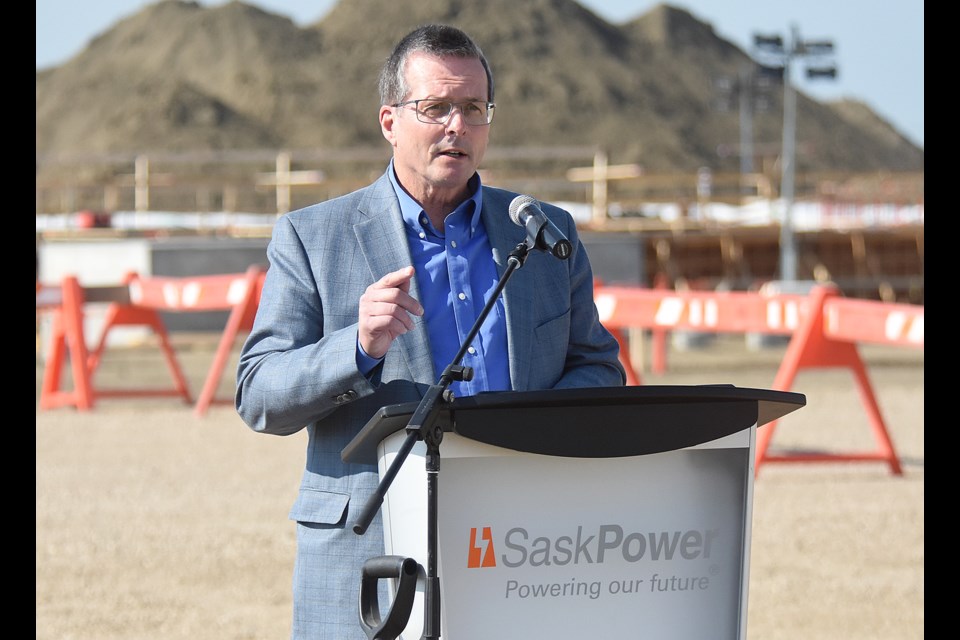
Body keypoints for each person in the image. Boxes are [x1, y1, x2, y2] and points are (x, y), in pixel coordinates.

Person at [235, 23, 626, 640]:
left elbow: (599, 367)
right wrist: (356, 347)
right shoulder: (314, 237)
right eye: (436, 107)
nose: (457, 126)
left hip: (520, 545)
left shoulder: (544, 232)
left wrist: (528, 433)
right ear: (389, 121)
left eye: (473, 109)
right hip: (369, 554)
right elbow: (259, 396)